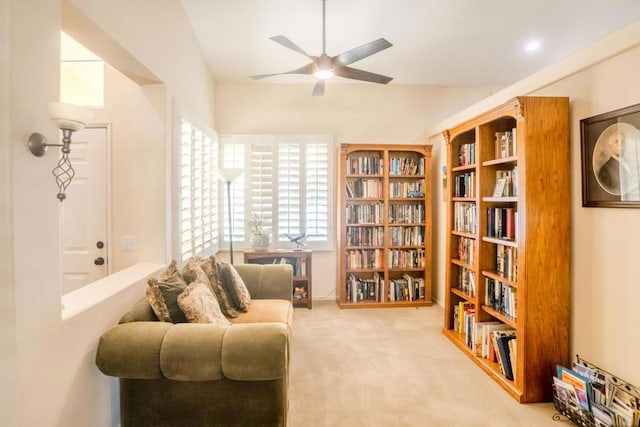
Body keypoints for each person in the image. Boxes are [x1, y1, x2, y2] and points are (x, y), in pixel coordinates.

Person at [595, 128, 640, 200]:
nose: (620, 144)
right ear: (610, 147)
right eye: (617, 141)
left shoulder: (632, 163)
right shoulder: (605, 170)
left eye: (622, 141)